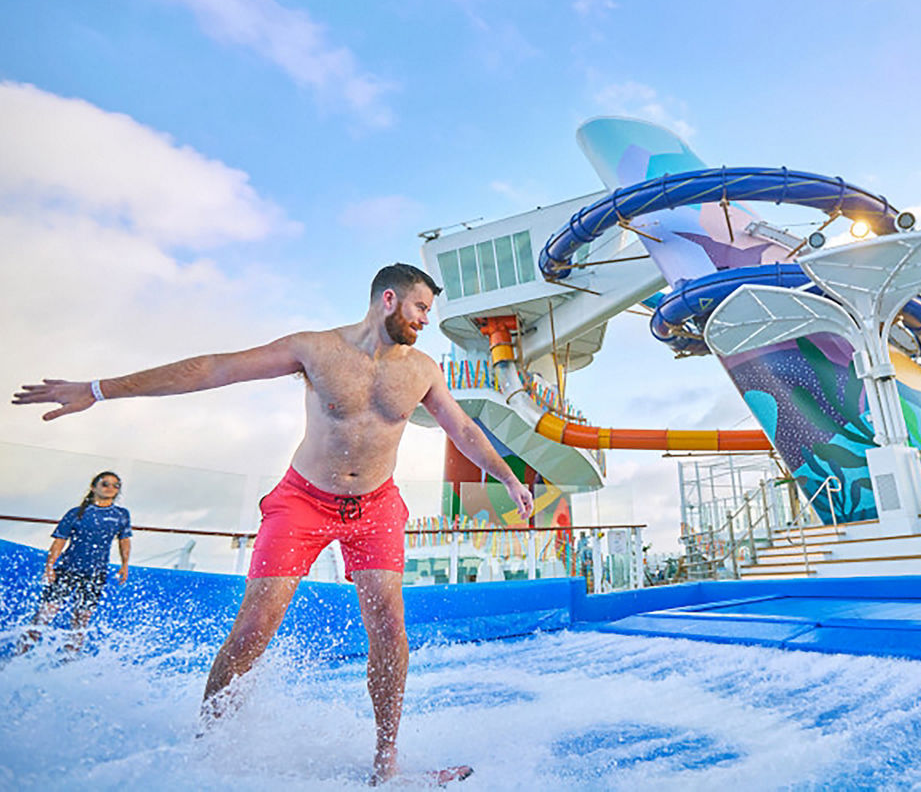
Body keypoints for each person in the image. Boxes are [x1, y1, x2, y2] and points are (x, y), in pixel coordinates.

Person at [12, 263, 535, 783]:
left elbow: (461, 427)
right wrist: (100, 389)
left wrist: (507, 479)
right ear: (390, 300)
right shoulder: (316, 349)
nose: (427, 319)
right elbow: (215, 368)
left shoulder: (421, 370)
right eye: (422, 307)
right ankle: (207, 752)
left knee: (390, 631)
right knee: (253, 631)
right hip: (303, 501)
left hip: (376, 505)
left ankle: (386, 766)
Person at [20, 470, 132, 655]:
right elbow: (59, 541)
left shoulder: (121, 514)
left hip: (95, 574)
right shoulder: (77, 513)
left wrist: (125, 564)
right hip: (67, 570)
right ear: (93, 487)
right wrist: (50, 567)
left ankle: (68, 661)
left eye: (116, 485)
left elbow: (124, 539)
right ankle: (18, 655)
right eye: (105, 483)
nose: (111, 488)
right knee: (44, 615)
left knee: (81, 622)